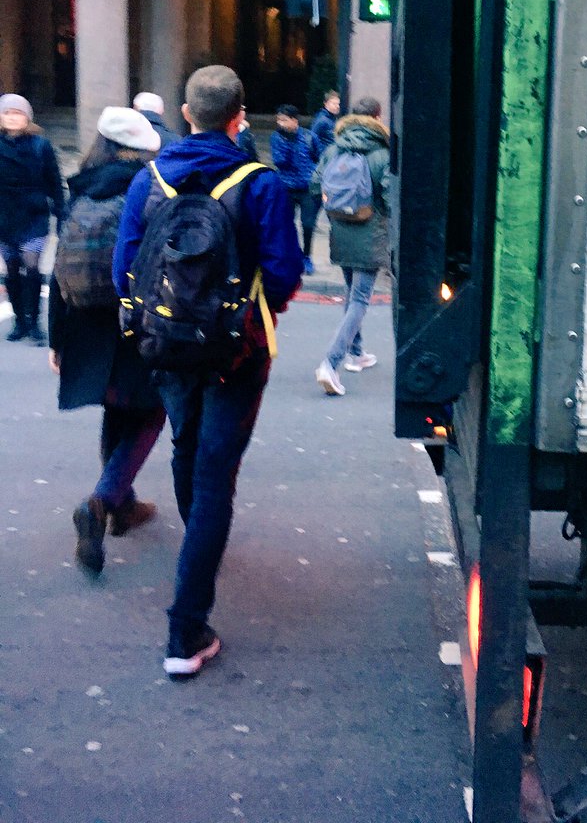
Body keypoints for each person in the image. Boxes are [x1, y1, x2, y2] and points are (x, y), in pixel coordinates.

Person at [113, 65, 303, 678]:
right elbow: (283, 271)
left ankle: (201, 546)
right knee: (217, 473)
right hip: (235, 350)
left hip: (166, 345)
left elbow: (126, 268)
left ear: (186, 113)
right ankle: (184, 632)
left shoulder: (150, 179)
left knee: (186, 447)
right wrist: (254, 310)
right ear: (239, 117)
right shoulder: (262, 184)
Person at [49, 107, 165, 574]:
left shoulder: (80, 187)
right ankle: (102, 502)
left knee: (117, 407)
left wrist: (57, 339)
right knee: (151, 412)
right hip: (130, 318)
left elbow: (60, 267)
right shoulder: (145, 188)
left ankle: (124, 506)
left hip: (83, 320)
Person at [312, 96, 389, 396]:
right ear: (377, 116)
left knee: (351, 294)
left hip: (341, 228)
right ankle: (331, 363)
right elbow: (389, 193)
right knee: (359, 299)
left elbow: (315, 183)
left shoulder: (334, 148)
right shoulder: (382, 152)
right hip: (371, 231)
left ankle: (357, 353)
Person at [0, 93, 66, 345]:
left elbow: (54, 183)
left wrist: (61, 213)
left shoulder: (41, 146)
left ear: (27, 118)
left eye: (17, 113)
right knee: (12, 268)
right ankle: (20, 321)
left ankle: (35, 321)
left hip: (34, 214)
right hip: (5, 215)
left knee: (33, 265)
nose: (13, 117)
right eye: (8, 113)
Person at [270, 103, 318, 272]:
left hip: (307, 188)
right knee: (286, 223)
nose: (280, 123)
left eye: (284, 120)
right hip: (287, 187)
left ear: (294, 120)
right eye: (278, 120)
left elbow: (318, 159)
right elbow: (280, 161)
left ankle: (307, 256)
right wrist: (288, 143)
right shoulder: (277, 138)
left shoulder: (309, 137)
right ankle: (290, 255)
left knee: (308, 224)